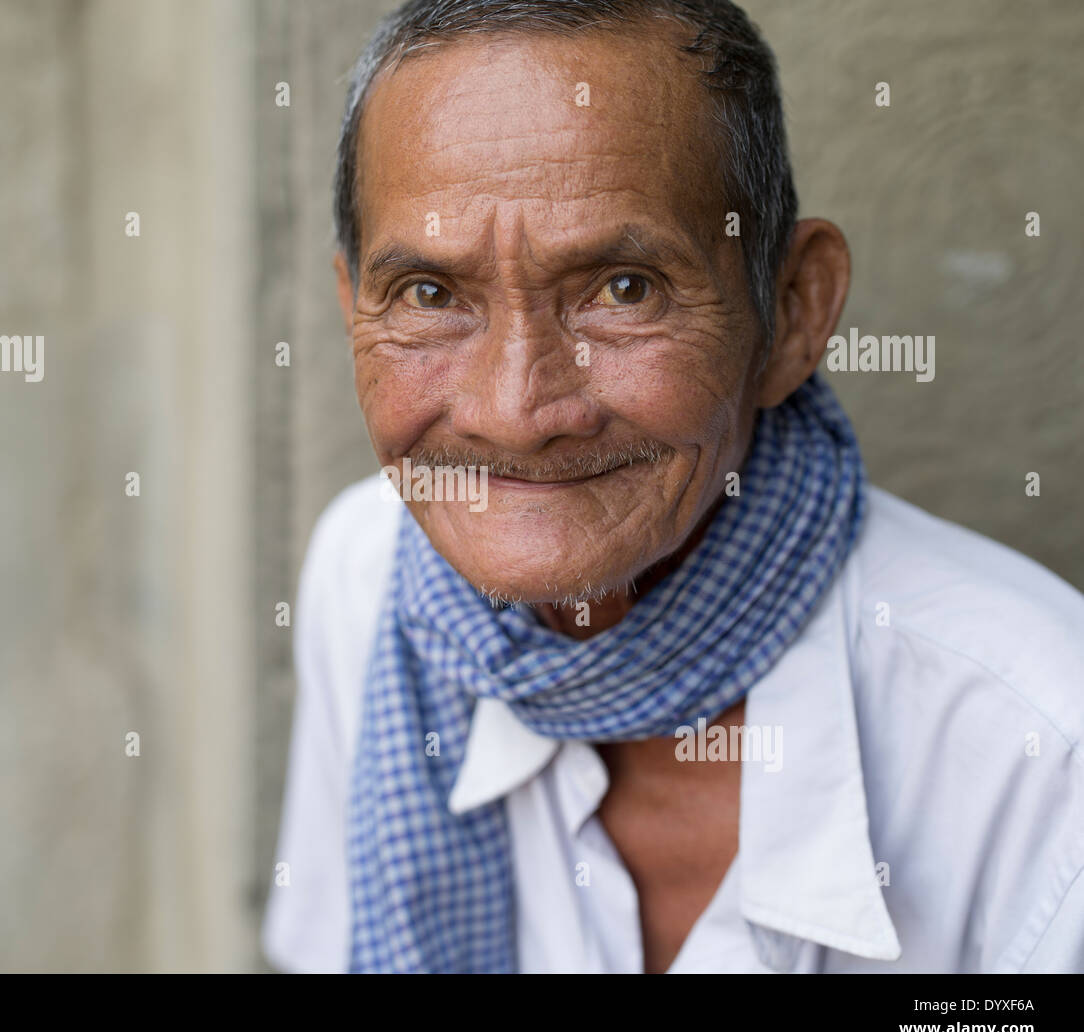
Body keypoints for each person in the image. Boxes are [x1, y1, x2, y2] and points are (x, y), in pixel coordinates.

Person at [262, 0, 1084, 973]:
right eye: (431, 296)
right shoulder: (366, 579)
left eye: (621, 288)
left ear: (790, 312)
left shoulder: (1040, 751)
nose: (517, 410)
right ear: (350, 306)